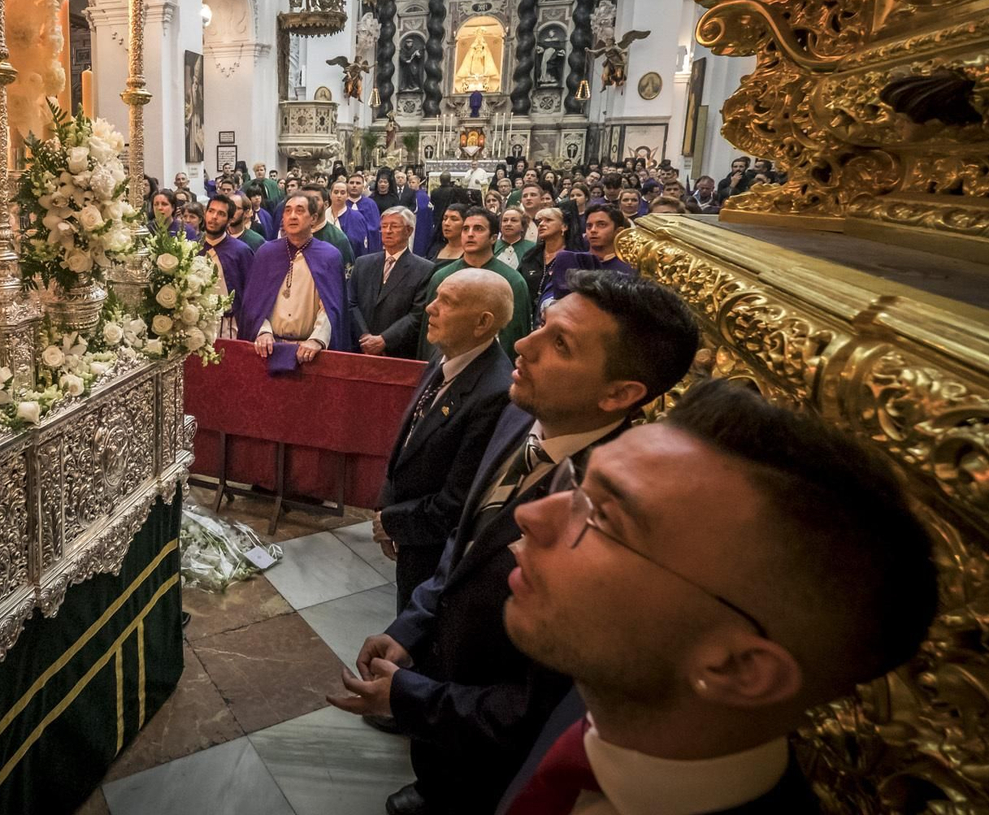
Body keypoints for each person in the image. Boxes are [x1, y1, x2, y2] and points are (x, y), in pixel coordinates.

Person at [331, 272, 701, 815]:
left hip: (495, 761)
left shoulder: (613, 520)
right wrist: (412, 627)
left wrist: (410, 698)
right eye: (543, 324)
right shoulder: (519, 412)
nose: (522, 345)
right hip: (447, 673)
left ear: (619, 393)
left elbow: (533, 704)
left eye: (560, 343)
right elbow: (467, 539)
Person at [496, 379, 938, 815]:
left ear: (738, 667)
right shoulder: (610, 696)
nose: (530, 515)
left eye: (606, 519)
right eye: (580, 486)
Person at [375, 269, 515, 610]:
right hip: (411, 531)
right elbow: (411, 437)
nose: (430, 308)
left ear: (482, 323)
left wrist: (391, 522)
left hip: (435, 553)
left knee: (417, 635)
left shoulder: (494, 393)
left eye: (446, 302)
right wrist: (387, 505)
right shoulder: (447, 355)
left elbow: (458, 502)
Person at [237, 191, 349, 363]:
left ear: (313, 218)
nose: (292, 216)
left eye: (300, 210)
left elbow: (331, 307)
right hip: (269, 348)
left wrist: (317, 339)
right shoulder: (267, 253)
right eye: (287, 211)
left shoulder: (329, 256)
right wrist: (263, 331)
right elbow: (255, 302)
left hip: (311, 352)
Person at [414, 208, 531, 363]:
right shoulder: (442, 277)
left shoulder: (512, 281)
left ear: (493, 238)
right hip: (444, 362)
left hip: (492, 369)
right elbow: (428, 335)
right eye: (465, 229)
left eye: (478, 229)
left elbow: (515, 337)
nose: (470, 234)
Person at [351, 207, 436, 360]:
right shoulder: (363, 263)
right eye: (384, 226)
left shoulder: (424, 269)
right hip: (360, 348)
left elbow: (417, 314)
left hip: (399, 351)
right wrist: (364, 336)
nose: (388, 231)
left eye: (394, 226)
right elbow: (351, 303)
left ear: (409, 231)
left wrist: (384, 340)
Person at [540, 205, 637, 308]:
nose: (593, 230)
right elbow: (547, 299)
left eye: (601, 225)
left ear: (618, 232)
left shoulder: (630, 267)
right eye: (589, 226)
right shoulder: (572, 261)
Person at [198, 194, 252, 338]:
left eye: (221, 214)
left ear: (229, 220)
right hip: (196, 323)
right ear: (205, 213)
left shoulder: (241, 251)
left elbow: (249, 292)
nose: (214, 217)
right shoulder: (192, 246)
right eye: (211, 211)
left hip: (228, 325)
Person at [517, 206, 569, 319]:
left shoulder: (573, 257)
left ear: (564, 226)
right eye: (540, 221)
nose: (541, 224)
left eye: (548, 220)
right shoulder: (531, 255)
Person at [308, 184, 358, 274]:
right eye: (305, 200)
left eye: (315, 199)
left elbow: (347, 277)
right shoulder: (295, 235)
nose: (309, 204)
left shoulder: (339, 239)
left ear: (326, 204)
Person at [341, 173, 382, 255]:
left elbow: (375, 228)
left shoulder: (370, 204)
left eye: (358, 183)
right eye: (351, 183)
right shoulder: (342, 203)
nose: (354, 186)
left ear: (363, 187)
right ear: (347, 185)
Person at [408, 171, 437, 257]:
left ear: (418, 183)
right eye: (409, 182)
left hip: (421, 223)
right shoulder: (408, 194)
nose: (411, 184)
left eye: (413, 182)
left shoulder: (422, 195)